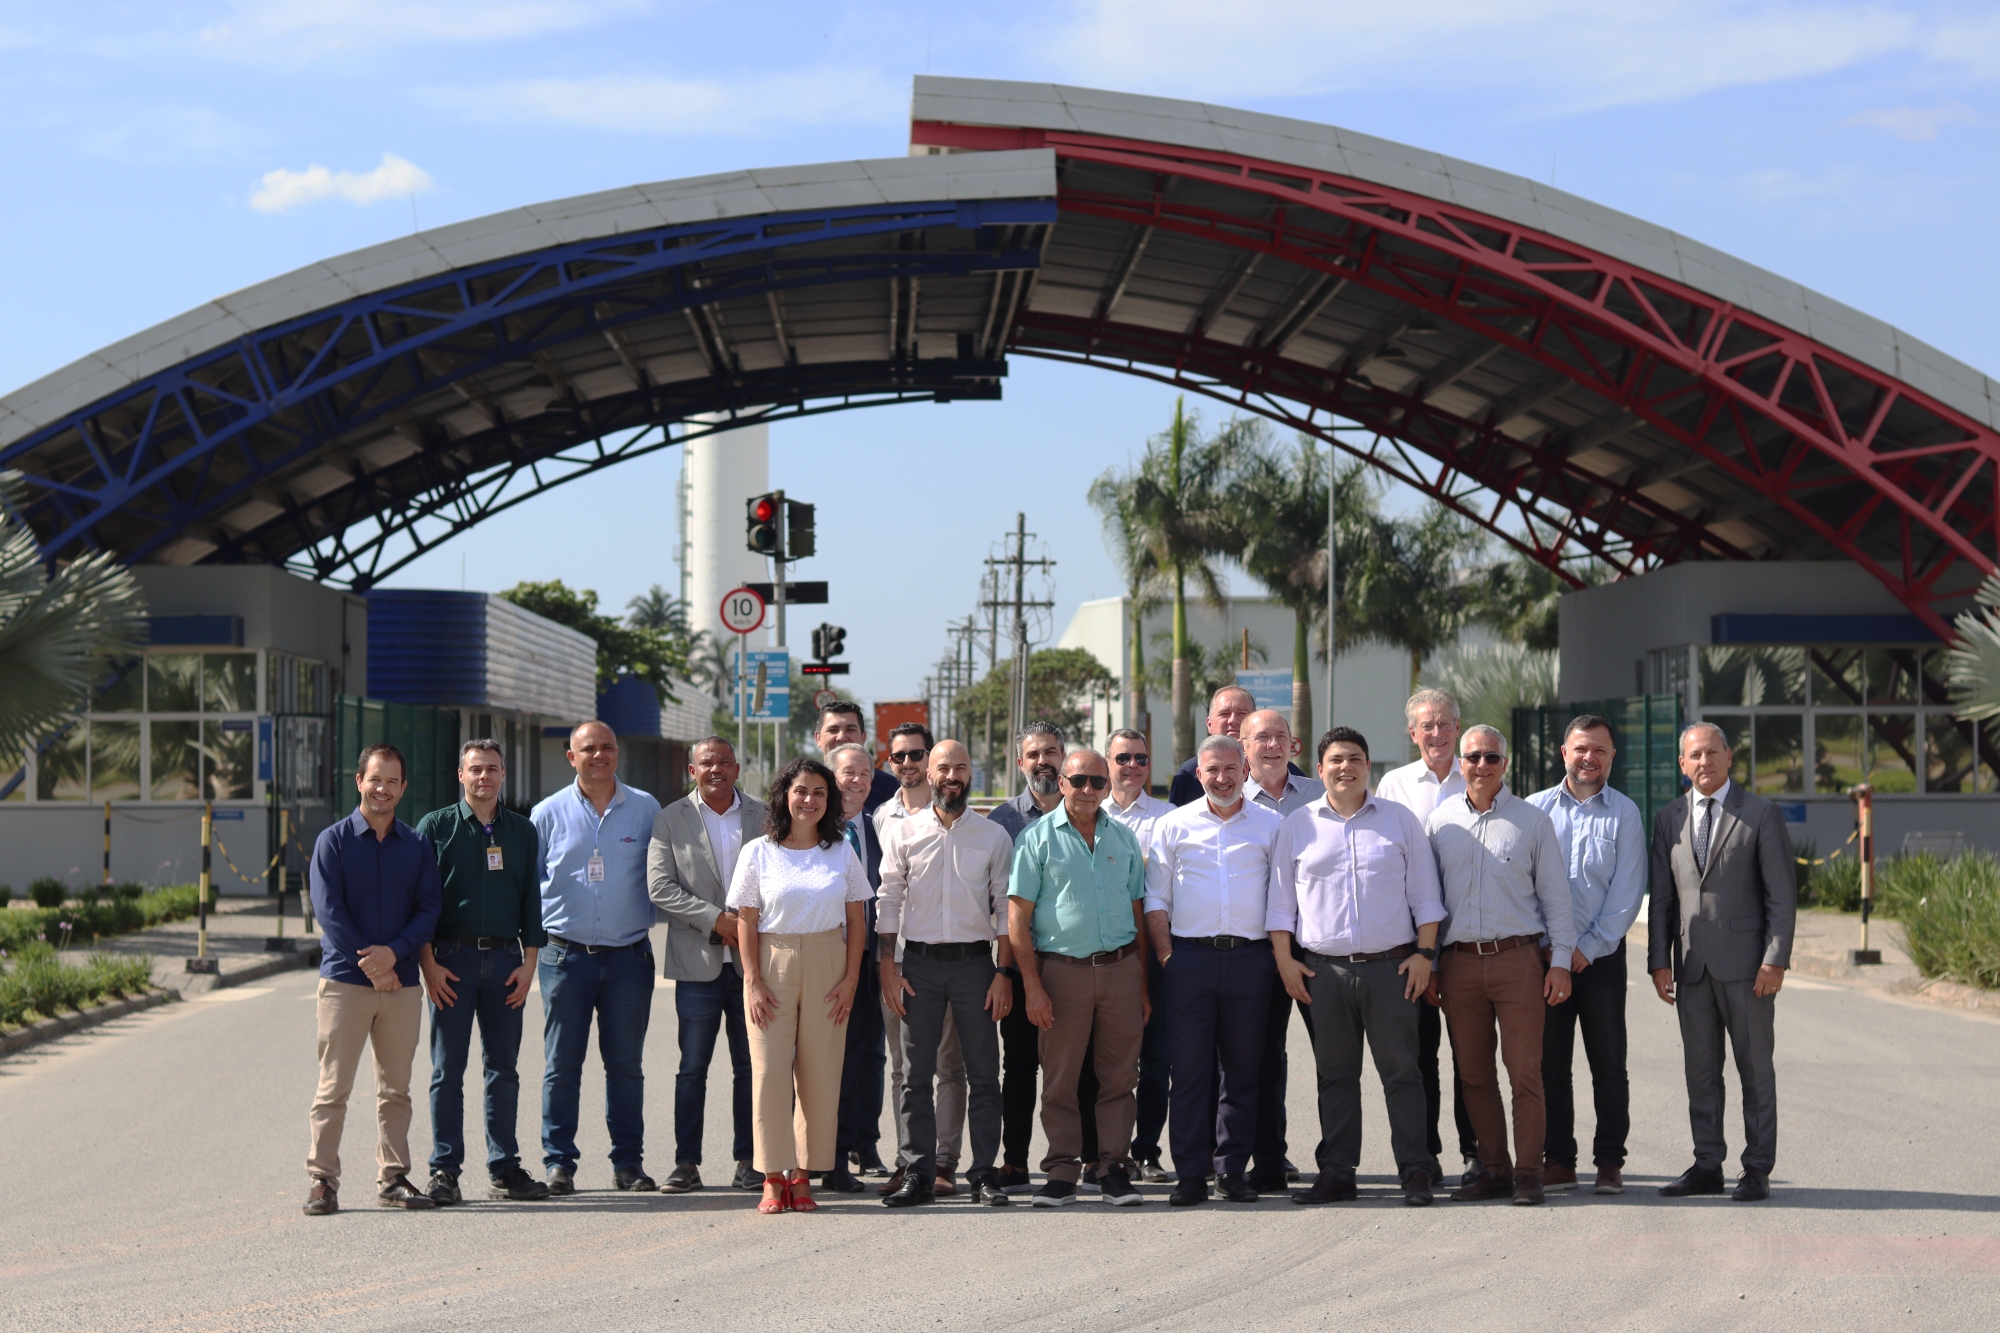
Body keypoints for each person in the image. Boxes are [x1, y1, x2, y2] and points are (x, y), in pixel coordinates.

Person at [1269, 727, 1444, 1208]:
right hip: (1324, 974)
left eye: (1356, 758)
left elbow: (1427, 900)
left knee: (1403, 1073)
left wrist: (1425, 956)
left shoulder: (1399, 821)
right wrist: (1285, 961)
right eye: (1336, 759)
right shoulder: (1297, 825)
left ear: (1369, 765)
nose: (1346, 767)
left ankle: (1415, 1169)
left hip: (1393, 970)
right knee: (1336, 1076)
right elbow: (1281, 906)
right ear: (1320, 768)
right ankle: (1338, 1171)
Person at [1427, 724, 1576, 1206]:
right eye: (1473, 757)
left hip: (1518, 962)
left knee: (1524, 1073)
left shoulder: (1532, 822)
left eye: (1492, 757)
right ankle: (1493, 1167)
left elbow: (1557, 899)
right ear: (1459, 763)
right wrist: (1429, 964)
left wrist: (1561, 965)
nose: (1482, 766)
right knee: (1473, 1074)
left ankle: (1529, 1172)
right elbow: (1427, 900)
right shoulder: (1439, 821)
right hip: (1458, 964)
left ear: (1505, 765)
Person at [1649, 722, 1797, 1203]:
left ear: (1729, 757)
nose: (1704, 762)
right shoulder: (1669, 817)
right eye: (1694, 755)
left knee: (1755, 1070)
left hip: (1748, 968)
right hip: (1691, 969)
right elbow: (1664, 899)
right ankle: (1706, 1164)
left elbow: (1781, 896)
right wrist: (1658, 960)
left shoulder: (1759, 813)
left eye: (1712, 753)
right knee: (1700, 1072)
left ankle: (1756, 1167)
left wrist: (1775, 959)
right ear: (1682, 764)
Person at [727, 757, 873, 1214]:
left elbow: (856, 919)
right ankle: (772, 1176)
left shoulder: (841, 850)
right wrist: (752, 980)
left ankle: (804, 1176)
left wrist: (851, 979)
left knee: (820, 1074)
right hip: (773, 963)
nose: (809, 800)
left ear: (829, 801)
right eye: (801, 791)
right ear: (784, 796)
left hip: (830, 963)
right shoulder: (758, 851)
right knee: (769, 1073)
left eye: (819, 793)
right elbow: (745, 920)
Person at [303, 742, 442, 1216]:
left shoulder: (417, 845)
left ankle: (393, 1177)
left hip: (401, 987)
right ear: (359, 781)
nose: (382, 788)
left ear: (403, 788)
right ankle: (322, 1180)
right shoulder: (333, 842)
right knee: (333, 1089)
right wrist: (371, 962)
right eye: (374, 779)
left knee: (396, 1090)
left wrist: (395, 956)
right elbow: (329, 912)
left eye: (392, 781)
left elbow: (429, 910)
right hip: (346, 983)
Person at [876, 740, 1017, 1208]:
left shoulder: (993, 835)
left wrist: (1004, 973)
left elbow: (1004, 910)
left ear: (971, 772)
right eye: (943, 767)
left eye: (960, 766)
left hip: (976, 967)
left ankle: (983, 1174)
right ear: (928, 774)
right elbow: (888, 900)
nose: (951, 775)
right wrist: (887, 969)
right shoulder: (904, 832)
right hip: (916, 966)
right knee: (916, 1075)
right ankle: (917, 1172)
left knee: (983, 1074)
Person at [1008, 750, 1150, 1207]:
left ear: (1108, 786)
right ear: (1062, 783)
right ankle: (1063, 1170)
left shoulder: (1124, 839)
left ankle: (1111, 1167)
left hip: (1121, 970)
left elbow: (1137, 913)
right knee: (1061, 1078)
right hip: (1061, 974)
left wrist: (1142, 984)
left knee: (1119, 1077)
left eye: (1098, 782)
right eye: (1079, 781)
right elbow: (1017, 920)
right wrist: (1032, 985)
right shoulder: (1036, 839)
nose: (1088, 790)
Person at [1144, 735, 1281, 1206]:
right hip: (1189, 961)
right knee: (1189, 1072)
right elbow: (1156, 898)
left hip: (1251, 960)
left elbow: (1283, 897)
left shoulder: (1271, 825)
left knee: (1242, 1071)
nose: (1221, 778)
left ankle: (1230, 1171)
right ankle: (1189, 1173)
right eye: (1211, 770)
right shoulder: (1174, 825)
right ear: (1197, 774)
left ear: (1245, 770)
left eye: (1229, 768)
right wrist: (1166, 957)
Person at [414, 739, 550, 1206]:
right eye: (475, 769)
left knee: (503, 1070)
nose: (484, 777)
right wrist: (428, 962)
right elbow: (421, 903)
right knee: (447, 1069)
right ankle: (444, 1170)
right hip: (450, 962)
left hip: (506, 963)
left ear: (503, 774)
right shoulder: (436, 827)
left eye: (492, 769)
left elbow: (533, 899)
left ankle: (504, 1166)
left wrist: (529, 964)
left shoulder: (522, 831)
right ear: (461, 775)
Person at [531, 721, 663, 1196]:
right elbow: (530, 888)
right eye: (589, 748)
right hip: (564, 957)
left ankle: (628, 1163)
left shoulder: (646, 809)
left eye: (608, 747)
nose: (600, 755)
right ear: (572, 757)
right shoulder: (546, 814)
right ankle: (558, 1163)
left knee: (625, 1066)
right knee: (561, 1065)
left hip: (629, 959)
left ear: (618, 753)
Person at [1526, 715, 1645, 1195]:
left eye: (1599, 750)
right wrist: (1554, 951)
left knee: (1608, 1063)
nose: (1589, 758)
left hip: (1601, 962)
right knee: (1549, 1063)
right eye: (1580, 749)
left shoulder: (1625, 814)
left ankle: (1609, 1161)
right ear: (1563, 753)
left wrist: (1587, 949)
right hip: (1543, 960)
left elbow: (1627, 892)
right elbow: (1524, 887)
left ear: (1612, 756)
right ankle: (1559, 1160)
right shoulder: (1534, 811)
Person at [646, 736, 766, 1195]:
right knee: (691, 1068)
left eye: (724, 762)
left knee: (749, 1066)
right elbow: (660, 886)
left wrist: (746, 927)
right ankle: (686, 1163)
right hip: (697, 962)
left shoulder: (764, 815)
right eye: (705, 763)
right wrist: (716, 920)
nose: (715, 769)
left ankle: (749, 1161)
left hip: (753, 965)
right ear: (691, 770)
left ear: (737, 769)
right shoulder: (670, 818)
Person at [1373, 687, 1477, 1185]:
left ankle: (1477, 1152)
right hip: (1411, 946)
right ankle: (1426, 1154)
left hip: (1468, 939)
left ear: (1457, 727)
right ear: (1412, 733)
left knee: (1469, 1054)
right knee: (1418, 1056)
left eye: (1444, 724)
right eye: (1426, 726)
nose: (1436, 733)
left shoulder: (1479, 774)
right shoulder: (1392, 786)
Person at [986, 721, 1088, 1194]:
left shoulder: (1088, 813)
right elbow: (1005, 911)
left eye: (1051, 751)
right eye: (1034, 753)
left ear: (1064, 758)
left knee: (1081, 1066)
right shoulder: (1002, 824)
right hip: (1026, 965)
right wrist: (1007, 973)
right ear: (1020, 761)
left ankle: (1082, 1161)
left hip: (1080, 965)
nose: (1042, 760)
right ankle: (1015, 1160)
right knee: (1021, 1066)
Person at [871, 723, 970, 1196]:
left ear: (930, 763)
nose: (907, 763)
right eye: (899, 756)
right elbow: (883, 897)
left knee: (952, 1066)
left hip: (957, 961)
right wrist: (886, 963)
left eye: (916, 755)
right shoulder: (880, 818)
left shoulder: (967, 819)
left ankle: (945, 1161)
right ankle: (910, 1159)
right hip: (905, 962)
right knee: (904, 1068)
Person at [1240, 708, 1323, 1190]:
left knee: (1333, 1057)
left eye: (1279, 737)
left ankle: (1336, 1161)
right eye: (1260, 738)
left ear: (1294, 746)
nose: (1271, 745)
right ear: (1243, 747)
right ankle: (1269, 1160)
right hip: (1256, 950)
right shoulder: (1230, 798)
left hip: (1316, 947)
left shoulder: (1321, 793)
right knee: (1261, 1058)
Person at [1103, 727, 1173, 1183]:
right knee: (1104, 1062)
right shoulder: (1087, 810)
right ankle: (1102, 1152)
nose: (1132, 766)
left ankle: (1146, 1150)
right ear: (1107, 762)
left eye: (1141, 759)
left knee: (1155, 1062)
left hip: (1153, 954)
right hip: (1103, 953)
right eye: (1123, 757)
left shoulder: (1170, 817)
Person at [824, 743, 890, 1194]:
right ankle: (811, 1155)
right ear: (833, 776)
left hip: (866, 961)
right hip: (820, 958)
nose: (859, 781)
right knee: (817, 1063)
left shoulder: (878, 827)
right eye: (849, 772)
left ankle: (843, 1155)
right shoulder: (810, 830)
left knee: (857, 1063)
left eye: (866, 773)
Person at [1166, 686, 1255, 806]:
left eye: (1241, 713)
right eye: (1224, 714)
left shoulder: (1280, 771)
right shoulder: (1188, 774)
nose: (1233, 720)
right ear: (1209, 724)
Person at [816, 701, 898, 809]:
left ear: (863, 738)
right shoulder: (806, 783)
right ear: (818, 738)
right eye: (833, 730)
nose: (841, 737)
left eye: (850, 730)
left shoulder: (888, 786)